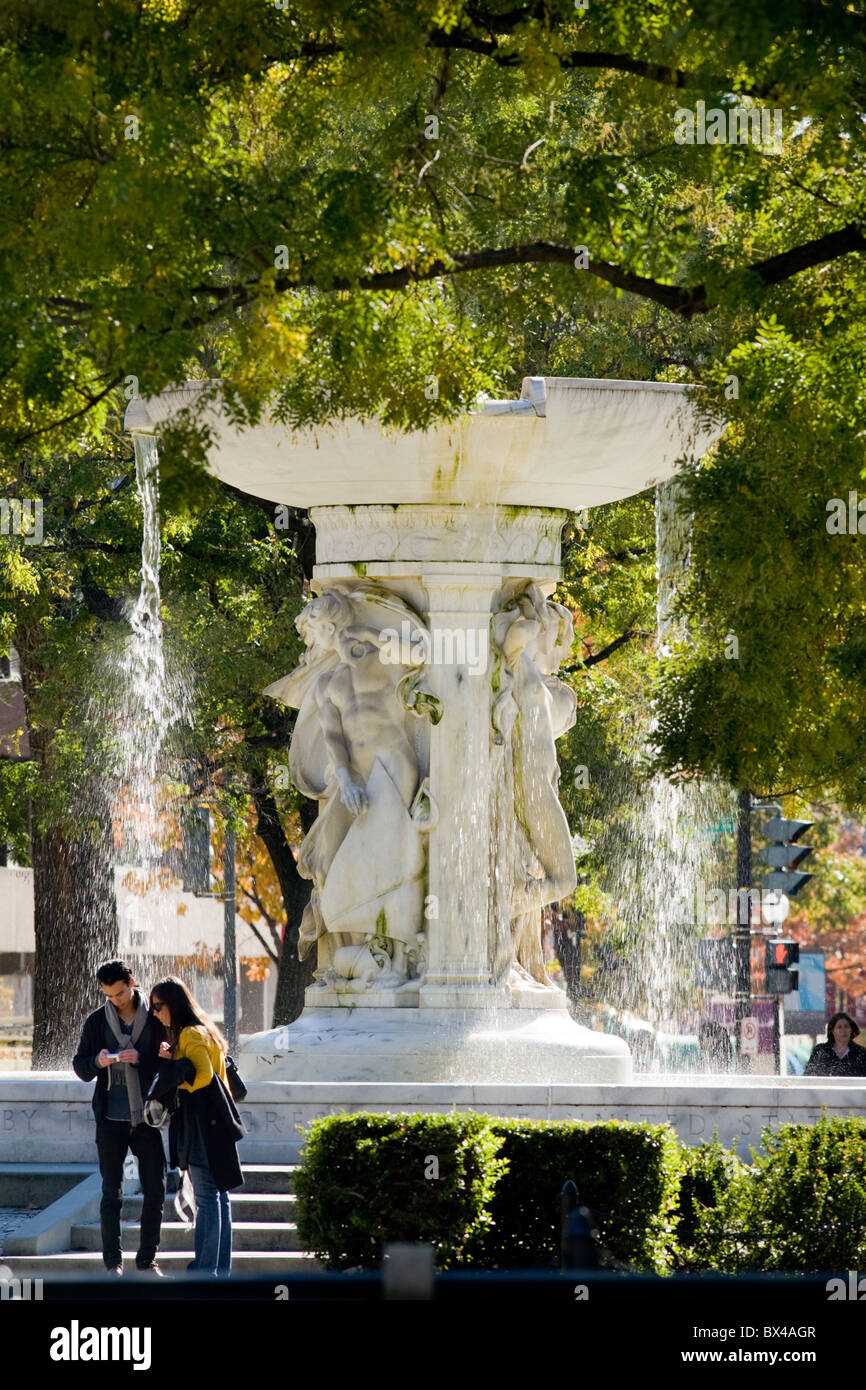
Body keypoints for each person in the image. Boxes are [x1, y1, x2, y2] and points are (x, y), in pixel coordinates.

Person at [72, 960, 167, 1276]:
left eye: (121, 993)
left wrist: (141, 1060)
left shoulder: (154, 1018)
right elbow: (81, 1066)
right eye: (110, 995)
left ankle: (147, 1259)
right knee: (111, 1191)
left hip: (146, 1118)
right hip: (110, 1119)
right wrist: (98, 1062)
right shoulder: (97, 1022)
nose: (117, 1000)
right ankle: (113, 1262)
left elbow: (167, 1063)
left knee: (155, 1187)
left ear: (132, 983)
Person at [149, 976, 244, 1278]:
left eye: (158, 1006)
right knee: (219, 1198)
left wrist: (172, 1067)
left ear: (173, 1005)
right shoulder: (204, 1031)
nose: (154, 1013)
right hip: (218, 1122)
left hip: (201, 1125)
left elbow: (201, 1076)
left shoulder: (189, 1034)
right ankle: (219, 1271)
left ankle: (204, 1272)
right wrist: (173, 1056)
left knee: (206, 1200)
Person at [804, 1012, 866, 1077]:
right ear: (833, 1031)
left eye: (846, 1026)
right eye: (839, 1027)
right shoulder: (820, 1051)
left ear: (851, 1030)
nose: (843, 1030)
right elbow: (809, 1075)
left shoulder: (861, 1053)